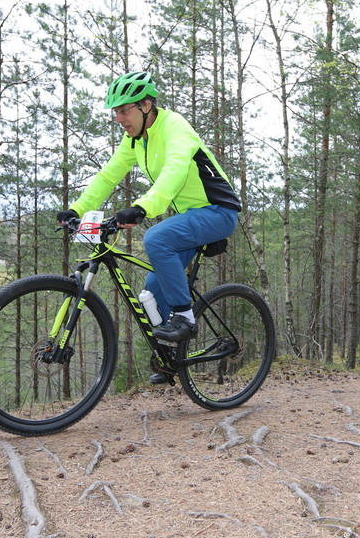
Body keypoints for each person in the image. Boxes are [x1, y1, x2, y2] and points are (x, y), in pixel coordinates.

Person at [57, 71, 241, 383]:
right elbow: (107, 176)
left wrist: (144, 207)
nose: (119, 118)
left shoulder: (175, 127)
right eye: (116, 112)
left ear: (145, 105)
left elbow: (174, 170)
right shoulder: (134, 140)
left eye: (124, 110)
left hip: (218, 211)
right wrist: (76, 208)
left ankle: (185, 317)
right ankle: (171, 361)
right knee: (153, 291)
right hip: (190, 217)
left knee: (156, 238)